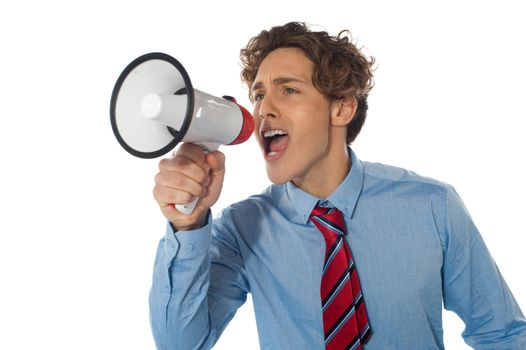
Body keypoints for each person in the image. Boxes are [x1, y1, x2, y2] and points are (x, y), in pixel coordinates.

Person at [149, 22, 526, 349]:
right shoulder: (242, 227)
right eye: (259, 95)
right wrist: (187, 225)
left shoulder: (433, 206)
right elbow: (182, 342)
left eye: (289, 90)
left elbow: (503, 334)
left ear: (341, 108)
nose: (264, 110)